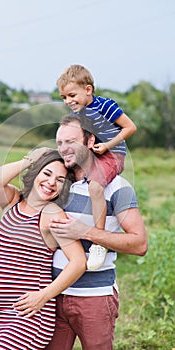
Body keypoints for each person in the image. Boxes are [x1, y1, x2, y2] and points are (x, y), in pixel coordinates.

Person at [45, 114, 148, 350]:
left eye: (70, 141)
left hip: (95, 298)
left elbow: (139, 244)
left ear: (90, 141)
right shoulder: (57, 183)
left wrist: (86, 232)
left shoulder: (117, 188)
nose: (63, 149)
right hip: (54, 296)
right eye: (59, 143)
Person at [0, 149, 88, 350]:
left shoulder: (52, 213)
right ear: (35, 172)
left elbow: (79, 262)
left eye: (60, 180)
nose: (51, 182)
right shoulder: (13, 201)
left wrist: (43, 296)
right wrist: (30, 159)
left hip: (29, 315)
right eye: (46, 174)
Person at [56, 64, 138, 270]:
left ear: (88, 90)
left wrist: (108, 145)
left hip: (113, 153)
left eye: (72, 95)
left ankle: (98, 243)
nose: (68, 101)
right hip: (96, 152)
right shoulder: (80, 114)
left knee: (94, 187)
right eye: (64, 98)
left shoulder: (106, 106)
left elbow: (130, 127)